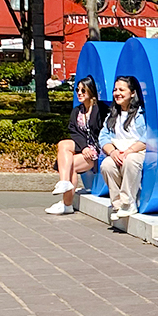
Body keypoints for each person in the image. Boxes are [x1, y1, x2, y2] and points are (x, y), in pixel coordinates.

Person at [47, 76, 104, 215]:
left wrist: (90, 148)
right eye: (77, 90)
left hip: (97, 150)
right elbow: (73, 131)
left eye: (83, 90)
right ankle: (64, 182)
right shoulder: (77, 111)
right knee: (63, 144)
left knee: (69, 164)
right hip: (83, 147)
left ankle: (66, 204)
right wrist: (84, 147)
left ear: (91, 91)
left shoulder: (100, 109)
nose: (79, 93)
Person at [99, 75, 150, 219]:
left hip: (137, 151)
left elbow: (148, 137)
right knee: (107, 165)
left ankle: (128, 204)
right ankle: (118, 205)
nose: (117, 93)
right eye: (115, 90)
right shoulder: (112, 115)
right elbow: (103, 137)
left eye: (122, 89)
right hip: (118, 151)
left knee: (131, 160)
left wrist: (129, 151)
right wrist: (113, 152)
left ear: (132, 93)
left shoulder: (142, 114)